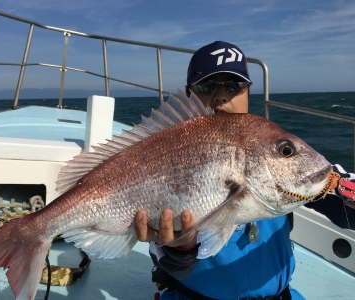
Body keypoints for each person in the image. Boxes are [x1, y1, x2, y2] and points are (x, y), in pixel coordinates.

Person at [134, 41, 355, 300]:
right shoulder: (161, 157)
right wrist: (182, 247)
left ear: (248, 90)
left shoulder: (273, 149)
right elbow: (173, 268)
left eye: (234, 85)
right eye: (207, 86)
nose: (221, 96)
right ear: (189, 93)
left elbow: (338, 196)